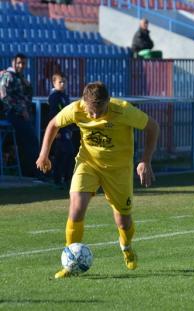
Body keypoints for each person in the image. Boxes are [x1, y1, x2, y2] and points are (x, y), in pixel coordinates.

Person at [36, 81, 160, 278]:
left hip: (118, 170)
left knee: (123, 221)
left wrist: (145, 160)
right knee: (76, 209)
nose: (94, 116)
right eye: (91, 111)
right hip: (88, 163)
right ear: (84, 102)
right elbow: (53, 124)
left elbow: (152, 127)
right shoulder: (76, 109)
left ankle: (126, 247)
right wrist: (44, 154)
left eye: (99, 111)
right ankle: (70, 262)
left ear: (108, 102)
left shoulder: (123, 110)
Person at [0, 53, 40, 178]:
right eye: (19, 63)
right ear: (13, 63)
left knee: (27, 142)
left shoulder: (21, 77)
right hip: (13, 114)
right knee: (31, 140)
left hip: (23, 115)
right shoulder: (8, 75)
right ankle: (36, 173)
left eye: (23, 63)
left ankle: (29, 173)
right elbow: (4, 96)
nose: (21, 65)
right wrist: (21, 110)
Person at [48, 73, 75, 189]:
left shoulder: (64, 95)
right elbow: (53, 114)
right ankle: (58, 179)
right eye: (60, 82)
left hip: (66, 129)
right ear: (54, 83)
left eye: (64, 81)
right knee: (61, 154)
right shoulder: (54, 96)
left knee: (68, 153)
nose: (63, 84)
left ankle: (65, 178)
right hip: (59, 130)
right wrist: (56, 131)